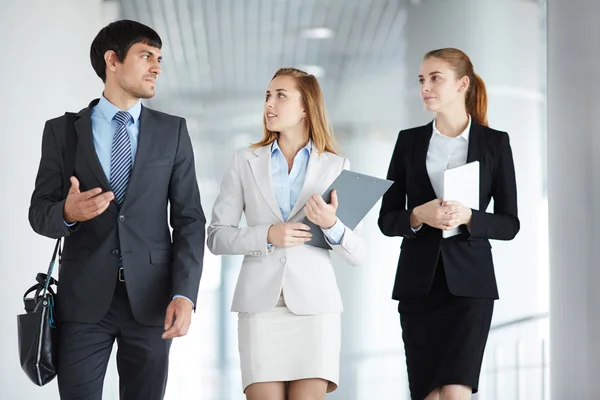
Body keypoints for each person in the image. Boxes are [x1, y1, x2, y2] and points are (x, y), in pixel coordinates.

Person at [28, 19, 206, 400]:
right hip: (82, 304)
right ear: (113, 60)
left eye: (159, 58)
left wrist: (185, 294)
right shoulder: (62, 132)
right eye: (146, 56)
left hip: (153, 301)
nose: (157, 66)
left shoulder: (172, 131)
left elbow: (189, 219)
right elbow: (39, 212)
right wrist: (67, 212)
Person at [207, 67, 365, 400]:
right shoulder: (243, 161)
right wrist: (267, 235)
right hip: (260, 308)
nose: (269, 104)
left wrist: (330, 224)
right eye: (267, 95)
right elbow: (217, 236)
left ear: (306, 107)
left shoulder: (336, 166)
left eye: (281, 95)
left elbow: (357, 253)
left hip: (315, 310)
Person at [378, 48, 519, 400]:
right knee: (426, 392)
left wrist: (471, 216)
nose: (425, 87)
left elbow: (509, 223)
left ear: (462, 84)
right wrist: (417, 215)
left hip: (471, 287)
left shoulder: (494, 143)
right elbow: (387, 218)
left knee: (456, 391)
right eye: (422, 80)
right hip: (417, 286)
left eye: (435, 78)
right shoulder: (408, 141)